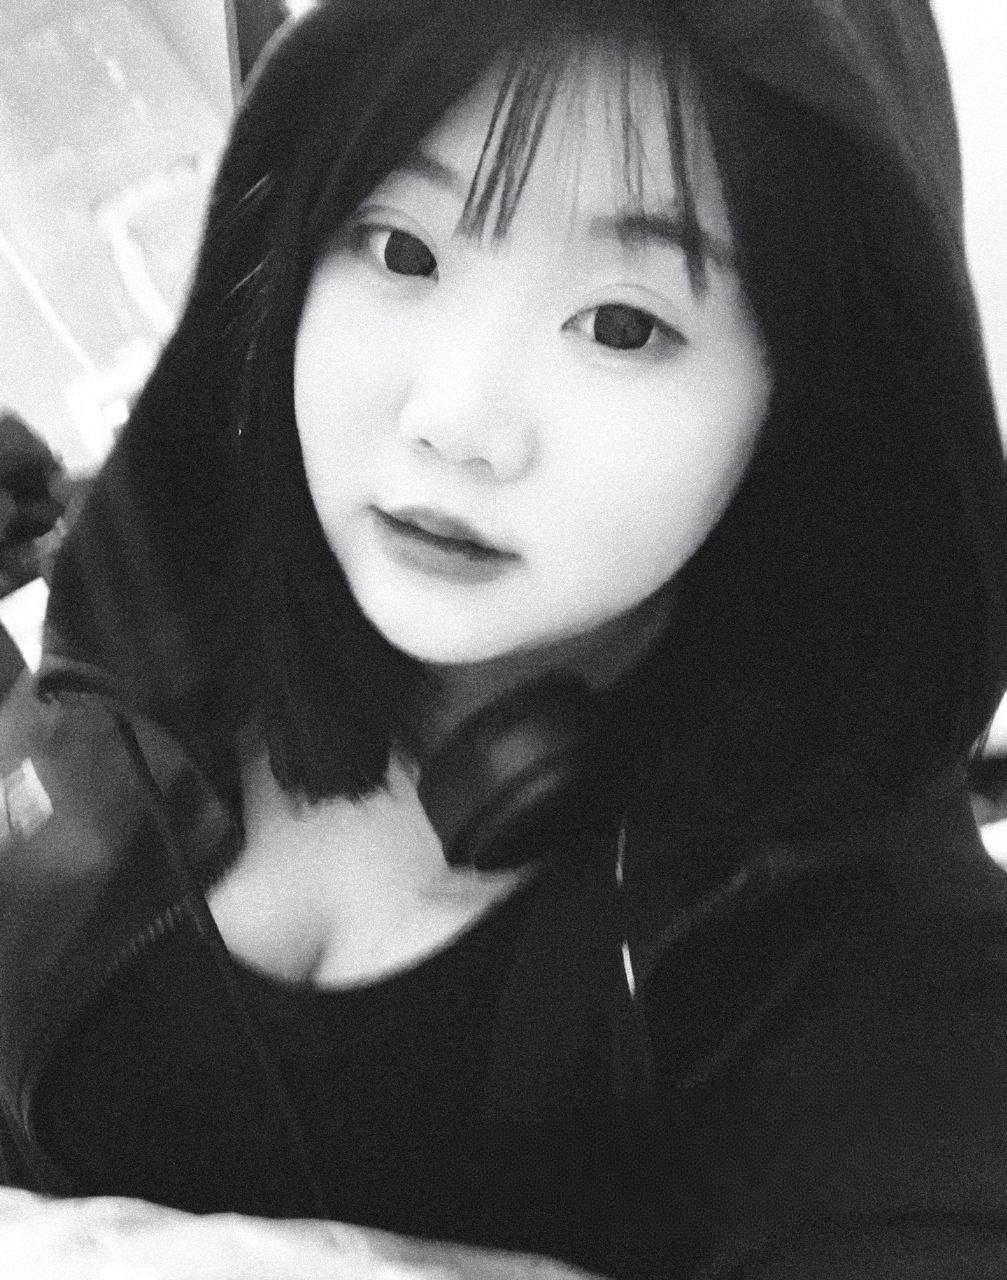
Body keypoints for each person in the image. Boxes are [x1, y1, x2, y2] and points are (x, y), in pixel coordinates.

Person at [0, 0, 1006, 1276]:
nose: (456, 418)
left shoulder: (846, 944)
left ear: (805, 389)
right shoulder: (152, 621)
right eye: (400, 249)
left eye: (624, 324)